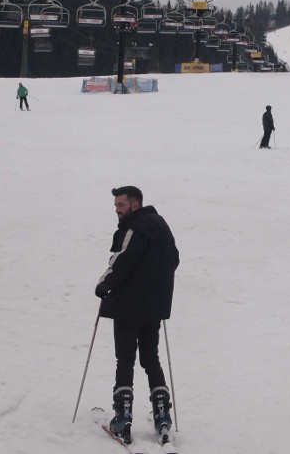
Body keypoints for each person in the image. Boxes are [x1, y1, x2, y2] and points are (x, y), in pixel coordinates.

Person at [95, 186, 180, 443]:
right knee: (150, 359)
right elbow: (174, 259)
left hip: (129, 306)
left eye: (120, 204)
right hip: (154, 307)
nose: (117, 210)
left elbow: (121, 262)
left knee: (125, 360)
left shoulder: (134, 228)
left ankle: (122, 419)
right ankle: (162, 415)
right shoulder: (161, 226)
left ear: (135, 204)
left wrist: (102, 285)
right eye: (115, 205)